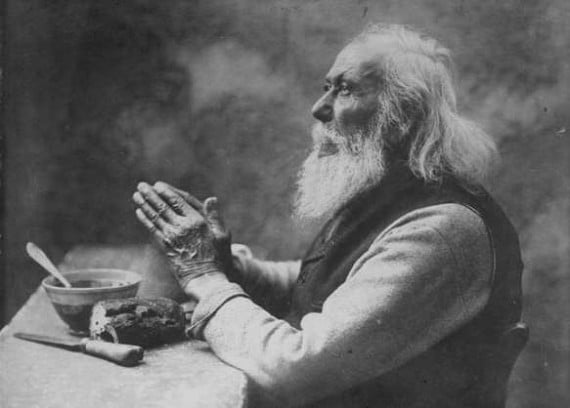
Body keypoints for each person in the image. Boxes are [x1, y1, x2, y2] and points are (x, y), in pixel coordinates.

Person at [132, 24, 523, 408]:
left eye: (346, 89)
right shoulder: (387, 191)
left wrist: (204, 277)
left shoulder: (442, 230)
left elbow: (294, 370)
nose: (319, 108)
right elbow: (326, 285)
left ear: (403, 115)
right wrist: (229, 267)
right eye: (327, 88)